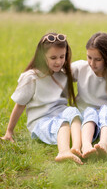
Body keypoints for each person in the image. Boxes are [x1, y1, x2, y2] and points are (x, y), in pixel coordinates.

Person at [1, 33, 83, 165]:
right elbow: (20, 105)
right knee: (62, 123)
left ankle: (78, 147)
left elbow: (84, 68)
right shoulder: (31, 77)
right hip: (41, 121)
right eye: (53, 57)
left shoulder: (63, 74)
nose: (58, 61)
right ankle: (63, 151)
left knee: (74, 113)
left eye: (62, 56)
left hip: (61, 113)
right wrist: (9, 131)